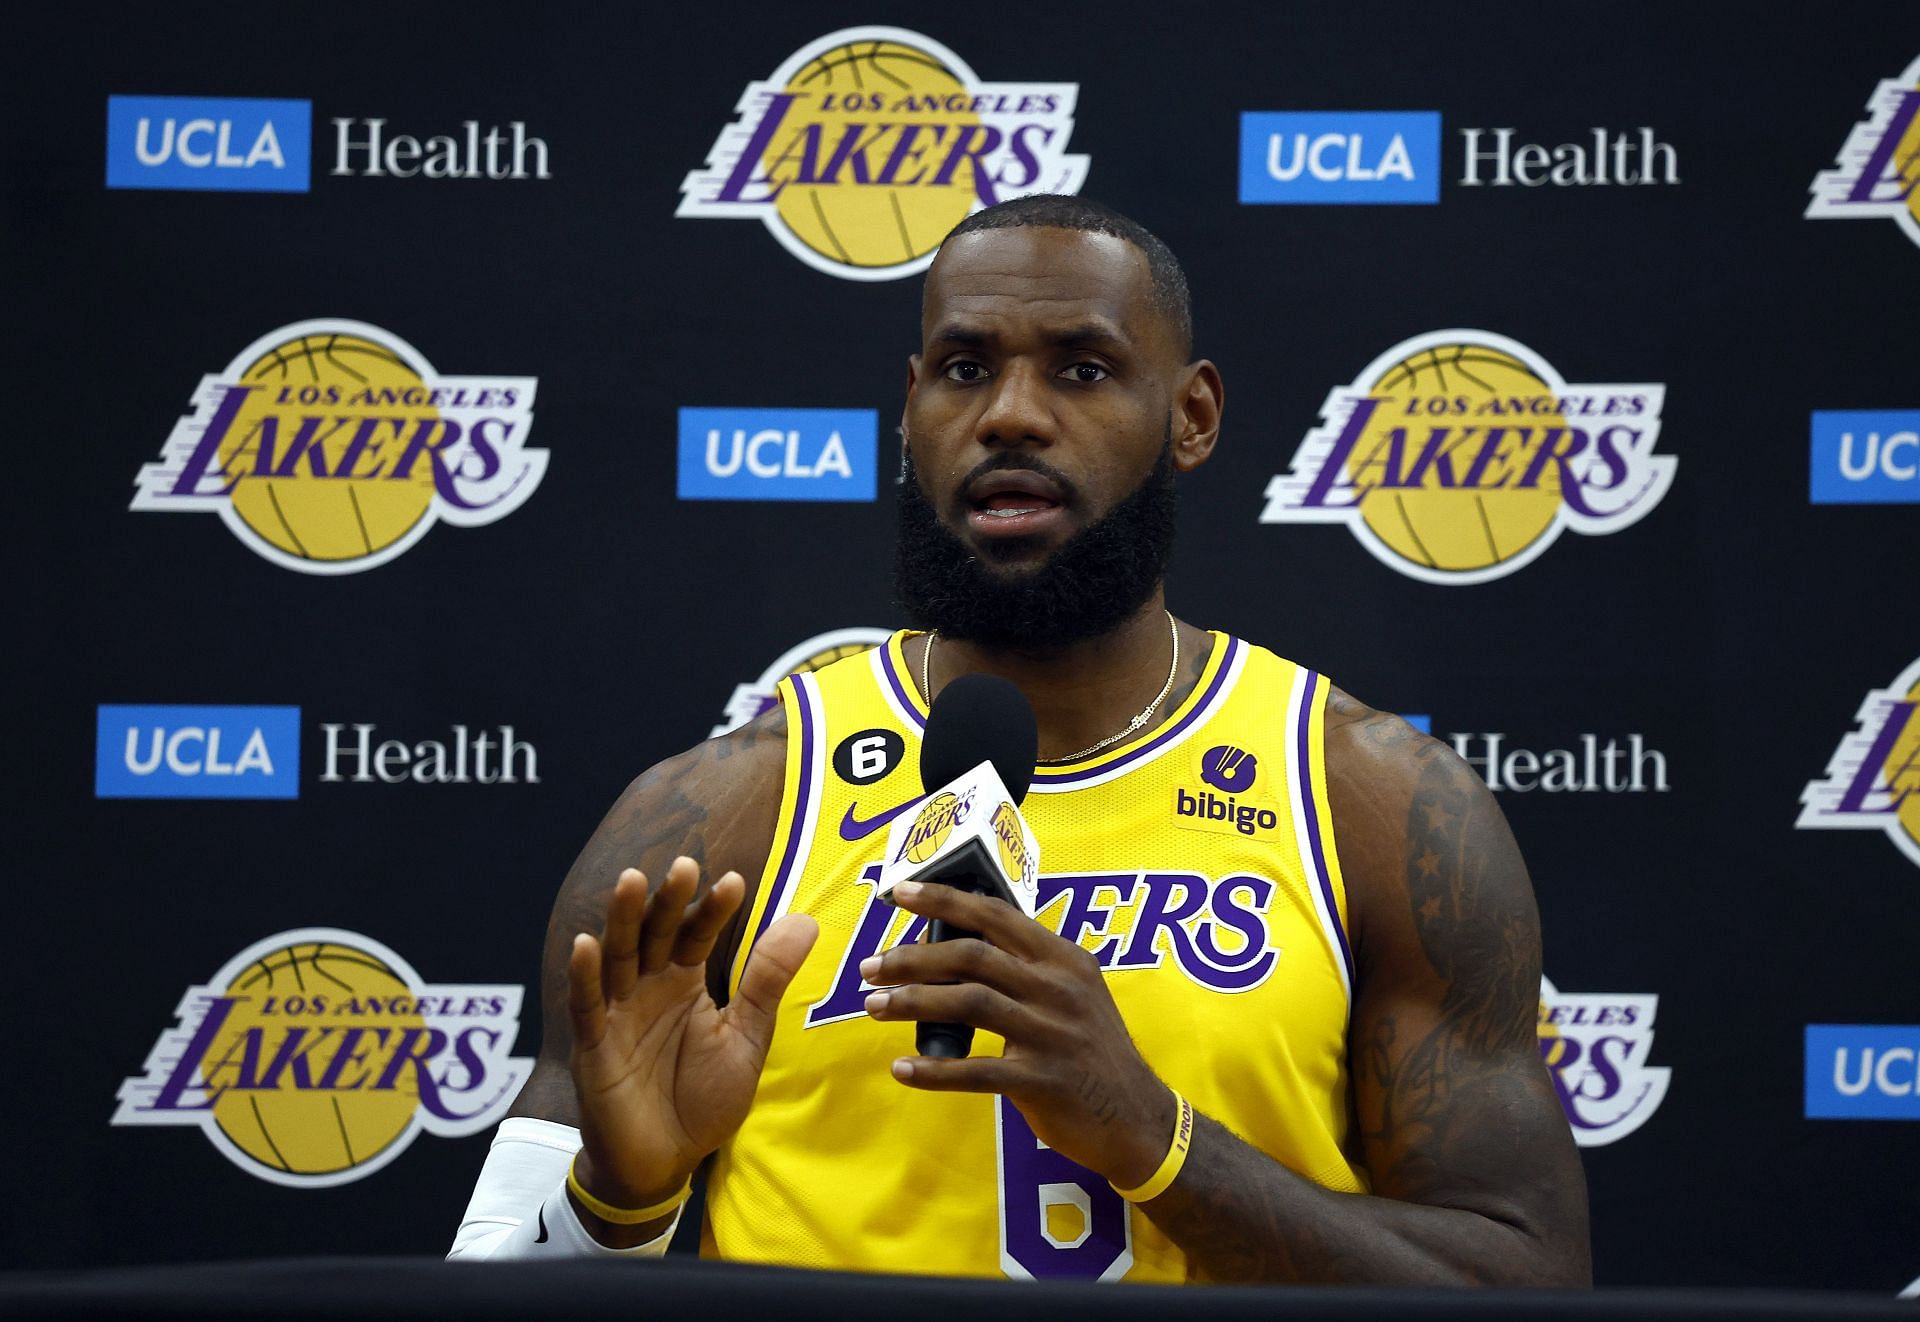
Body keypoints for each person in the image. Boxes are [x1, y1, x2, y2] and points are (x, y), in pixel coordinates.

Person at [450, 195, 1591, 1285]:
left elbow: (1527, 1275)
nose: (1009, 413)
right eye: (964, 368)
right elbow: (484, 1295)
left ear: (1191, 416)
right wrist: (621, 1195)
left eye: (1082, 369)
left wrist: (1157, 1139)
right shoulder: (725, 812)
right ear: (911, 408)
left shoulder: (1370, 801)